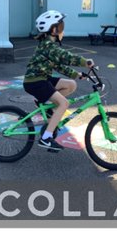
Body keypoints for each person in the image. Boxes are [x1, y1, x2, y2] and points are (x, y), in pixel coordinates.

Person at [24, 11, 95, 152]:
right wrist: (84, 62)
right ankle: (46, 138)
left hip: (42, 77)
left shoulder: (48, 45)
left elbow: (58, 66)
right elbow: (65, 57)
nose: (63, 30)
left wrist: (76, 75)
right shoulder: (48, 46)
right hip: (35, 81)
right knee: (64, 103)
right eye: (61, 27)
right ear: (53, 30)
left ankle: (47, 106)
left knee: (71, 85)